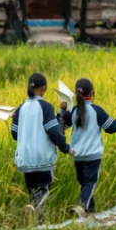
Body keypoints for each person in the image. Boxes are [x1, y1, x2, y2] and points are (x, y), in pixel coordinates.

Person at [58, 78, 116, 216]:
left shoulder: (74, 111)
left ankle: (90, 211)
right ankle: (82, 206)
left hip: (77, 155)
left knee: (84, 183)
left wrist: (61, 112)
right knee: (90, 183)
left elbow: (62, 126)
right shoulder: (96, 110)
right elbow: (111, 128)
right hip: (93, 155)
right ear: (92, 92)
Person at [10, 73, 74, 213]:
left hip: (25, 159)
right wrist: (66, 148)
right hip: (42, 157)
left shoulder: (20, 108)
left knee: (32, 191)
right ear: (43, 88)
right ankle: (34, 205)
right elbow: (54, 132)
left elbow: (15, 134)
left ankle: (36, 223)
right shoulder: (46, 107)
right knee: (44, 189)